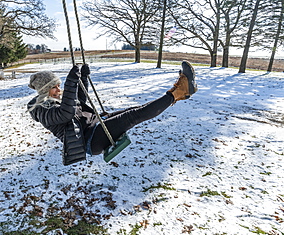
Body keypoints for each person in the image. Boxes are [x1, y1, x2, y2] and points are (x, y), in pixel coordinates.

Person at [27, 61, 197, 165]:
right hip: (91, 140)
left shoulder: (56, 99)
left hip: (96, 125)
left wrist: (82, 79)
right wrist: (71, 81)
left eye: (59, 85)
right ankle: (178, 92)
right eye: (54, 87)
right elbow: (66, 113)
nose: (59, 89)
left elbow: (79, 100)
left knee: (133, 111)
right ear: (44, 90)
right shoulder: (41, 110)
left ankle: (179, 92)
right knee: (134, 116)